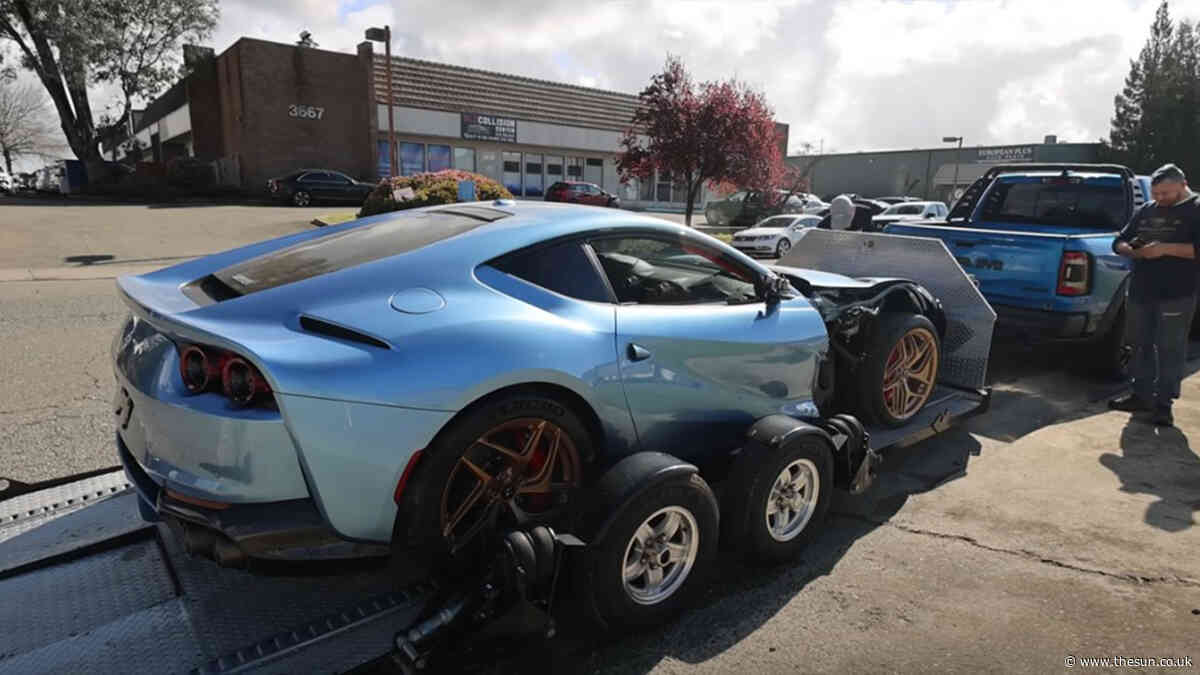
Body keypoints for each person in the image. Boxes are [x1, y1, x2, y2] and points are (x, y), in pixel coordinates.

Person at [1108, 164, 1200, 426]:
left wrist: (1165, 248)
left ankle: (1163, 405)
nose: (1159, 199)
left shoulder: (1196, 210)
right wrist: (1132, 250)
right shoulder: (1147, 210)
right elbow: (1120, 240)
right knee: (1139, 344)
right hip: (1141, 290)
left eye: (1165, 193)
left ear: (1183, 185)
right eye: (1156, 193)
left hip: (1177, 293)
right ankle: (1141, 395)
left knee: (1170, 348)